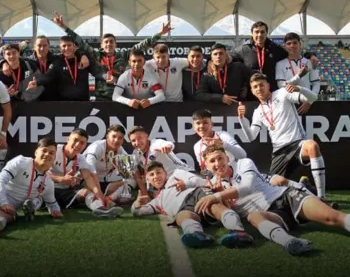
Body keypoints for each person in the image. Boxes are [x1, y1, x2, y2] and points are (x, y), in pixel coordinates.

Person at [195, 144, 350, 256]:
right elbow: (231, 211)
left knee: (332, 218)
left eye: (220, 158)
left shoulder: (244, 163)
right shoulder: (213, 185)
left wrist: (218, 195)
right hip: (271, 213)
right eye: (212, 161)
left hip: (285, 197)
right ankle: (289, 242)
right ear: (206, 166)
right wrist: (220, 194)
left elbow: (247, 187)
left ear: (227, 158)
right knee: (252, 216)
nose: (217, 164)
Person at [237, 73, 327, 200]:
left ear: (268, 86)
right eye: (255, 86)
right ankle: (303, 186)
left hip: (298, 143)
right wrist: (242, 119)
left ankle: (322, 197)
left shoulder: (282, 93)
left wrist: (299, 89)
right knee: (273, 188)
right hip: (279, 151)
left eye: (261, 85)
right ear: (252, 91)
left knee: (312, 146)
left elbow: (313, 97)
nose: (259, 88)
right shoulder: (258, 111)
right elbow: (251, 136)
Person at [131, 161, 253, 249]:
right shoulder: (158, 200)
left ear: (165, 173)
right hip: (184, 208)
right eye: (151, 175)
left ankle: (238, 232)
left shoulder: (176, 174)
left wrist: (186, 184)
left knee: (212, 207)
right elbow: (138, 212)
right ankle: (197, 235)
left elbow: (200, 181)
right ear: (147, 179)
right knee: (182, 216)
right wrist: (136, 204)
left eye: (158, 173)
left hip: (195, 194)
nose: (156, 176)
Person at [52, 11, 172, 100]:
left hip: (121, 97)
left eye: (111, 42)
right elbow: (80, 41)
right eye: (106, 42)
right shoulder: (95, 55)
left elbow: (141, 45)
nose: (109, 44)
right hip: (101, 98)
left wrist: (160, 34)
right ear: (101, 44)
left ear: (115, 44)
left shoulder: (124, 55)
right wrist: (64, 27)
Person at [79, 125, 129, 218]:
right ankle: (100, 208)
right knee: (92, 192)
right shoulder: (97, 146)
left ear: (123, 140)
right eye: (114, 136)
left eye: (120, 138)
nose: (116, 140)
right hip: (85, 179)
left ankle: (108, 200)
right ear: (107, 137)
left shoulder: (121, 150)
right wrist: (98, 192)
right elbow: (90, 169)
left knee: (126, 183)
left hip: (103, 181)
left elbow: (129, 174)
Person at [128, 126, 194, 196]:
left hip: (186, 175)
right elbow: (137, 175)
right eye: (133, 140)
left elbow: (167, 144)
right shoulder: (136, 153)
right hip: (167, 183)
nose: (137, 143)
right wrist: (145, 194)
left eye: (140, 138)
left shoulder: (155, 144)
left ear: (146, 136)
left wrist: (167, 147)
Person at [230, 21, 288, 97]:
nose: (259, 35)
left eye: (262, 32)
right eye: (256, 32)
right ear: (252, 34)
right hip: (251, 94)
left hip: (272, 93)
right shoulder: (244, 49)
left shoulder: (276, 49)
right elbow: (228, 58)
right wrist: (210, 63)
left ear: (266, 33)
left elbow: (289, 59)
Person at [275, 32, 320, 114]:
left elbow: (316, 83)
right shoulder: (280, 64)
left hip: (307, 104)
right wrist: (298, 76)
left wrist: (310, 100)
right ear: (285, 46)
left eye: (295, 43)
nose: (292, 46)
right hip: (288, 104)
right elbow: (280, 85)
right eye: (289, 43)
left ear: (300, 44)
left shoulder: (309, 62)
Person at [48, 128, 89, 209]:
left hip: (66, 191)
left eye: (82, 143)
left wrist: (98, 194)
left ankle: (101, 208)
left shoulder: (81, 158)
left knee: (88, 192)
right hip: (47, 189)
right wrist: (60, 179)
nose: (78, 145)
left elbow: (88, 177)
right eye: (75, 140)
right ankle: (34, 203)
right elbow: (37, 172)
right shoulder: (54, 150)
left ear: (85, 145)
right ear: (68, 139)